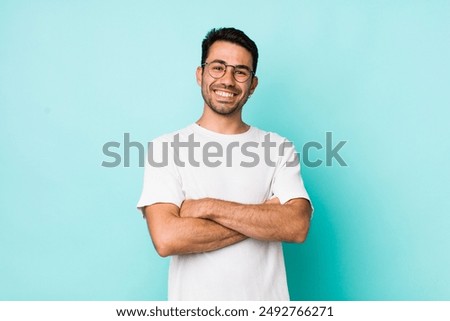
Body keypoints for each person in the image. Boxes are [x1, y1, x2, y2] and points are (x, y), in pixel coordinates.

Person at [137, 27, 312, 300]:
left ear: (252, 84)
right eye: (218, 67)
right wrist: (264, 217)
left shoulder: (278, 148)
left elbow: (296, 226)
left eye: (240, 71)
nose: (228, 80)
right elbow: (167, 238)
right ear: (200, 74)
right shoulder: (165, 148)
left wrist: (206, 207)